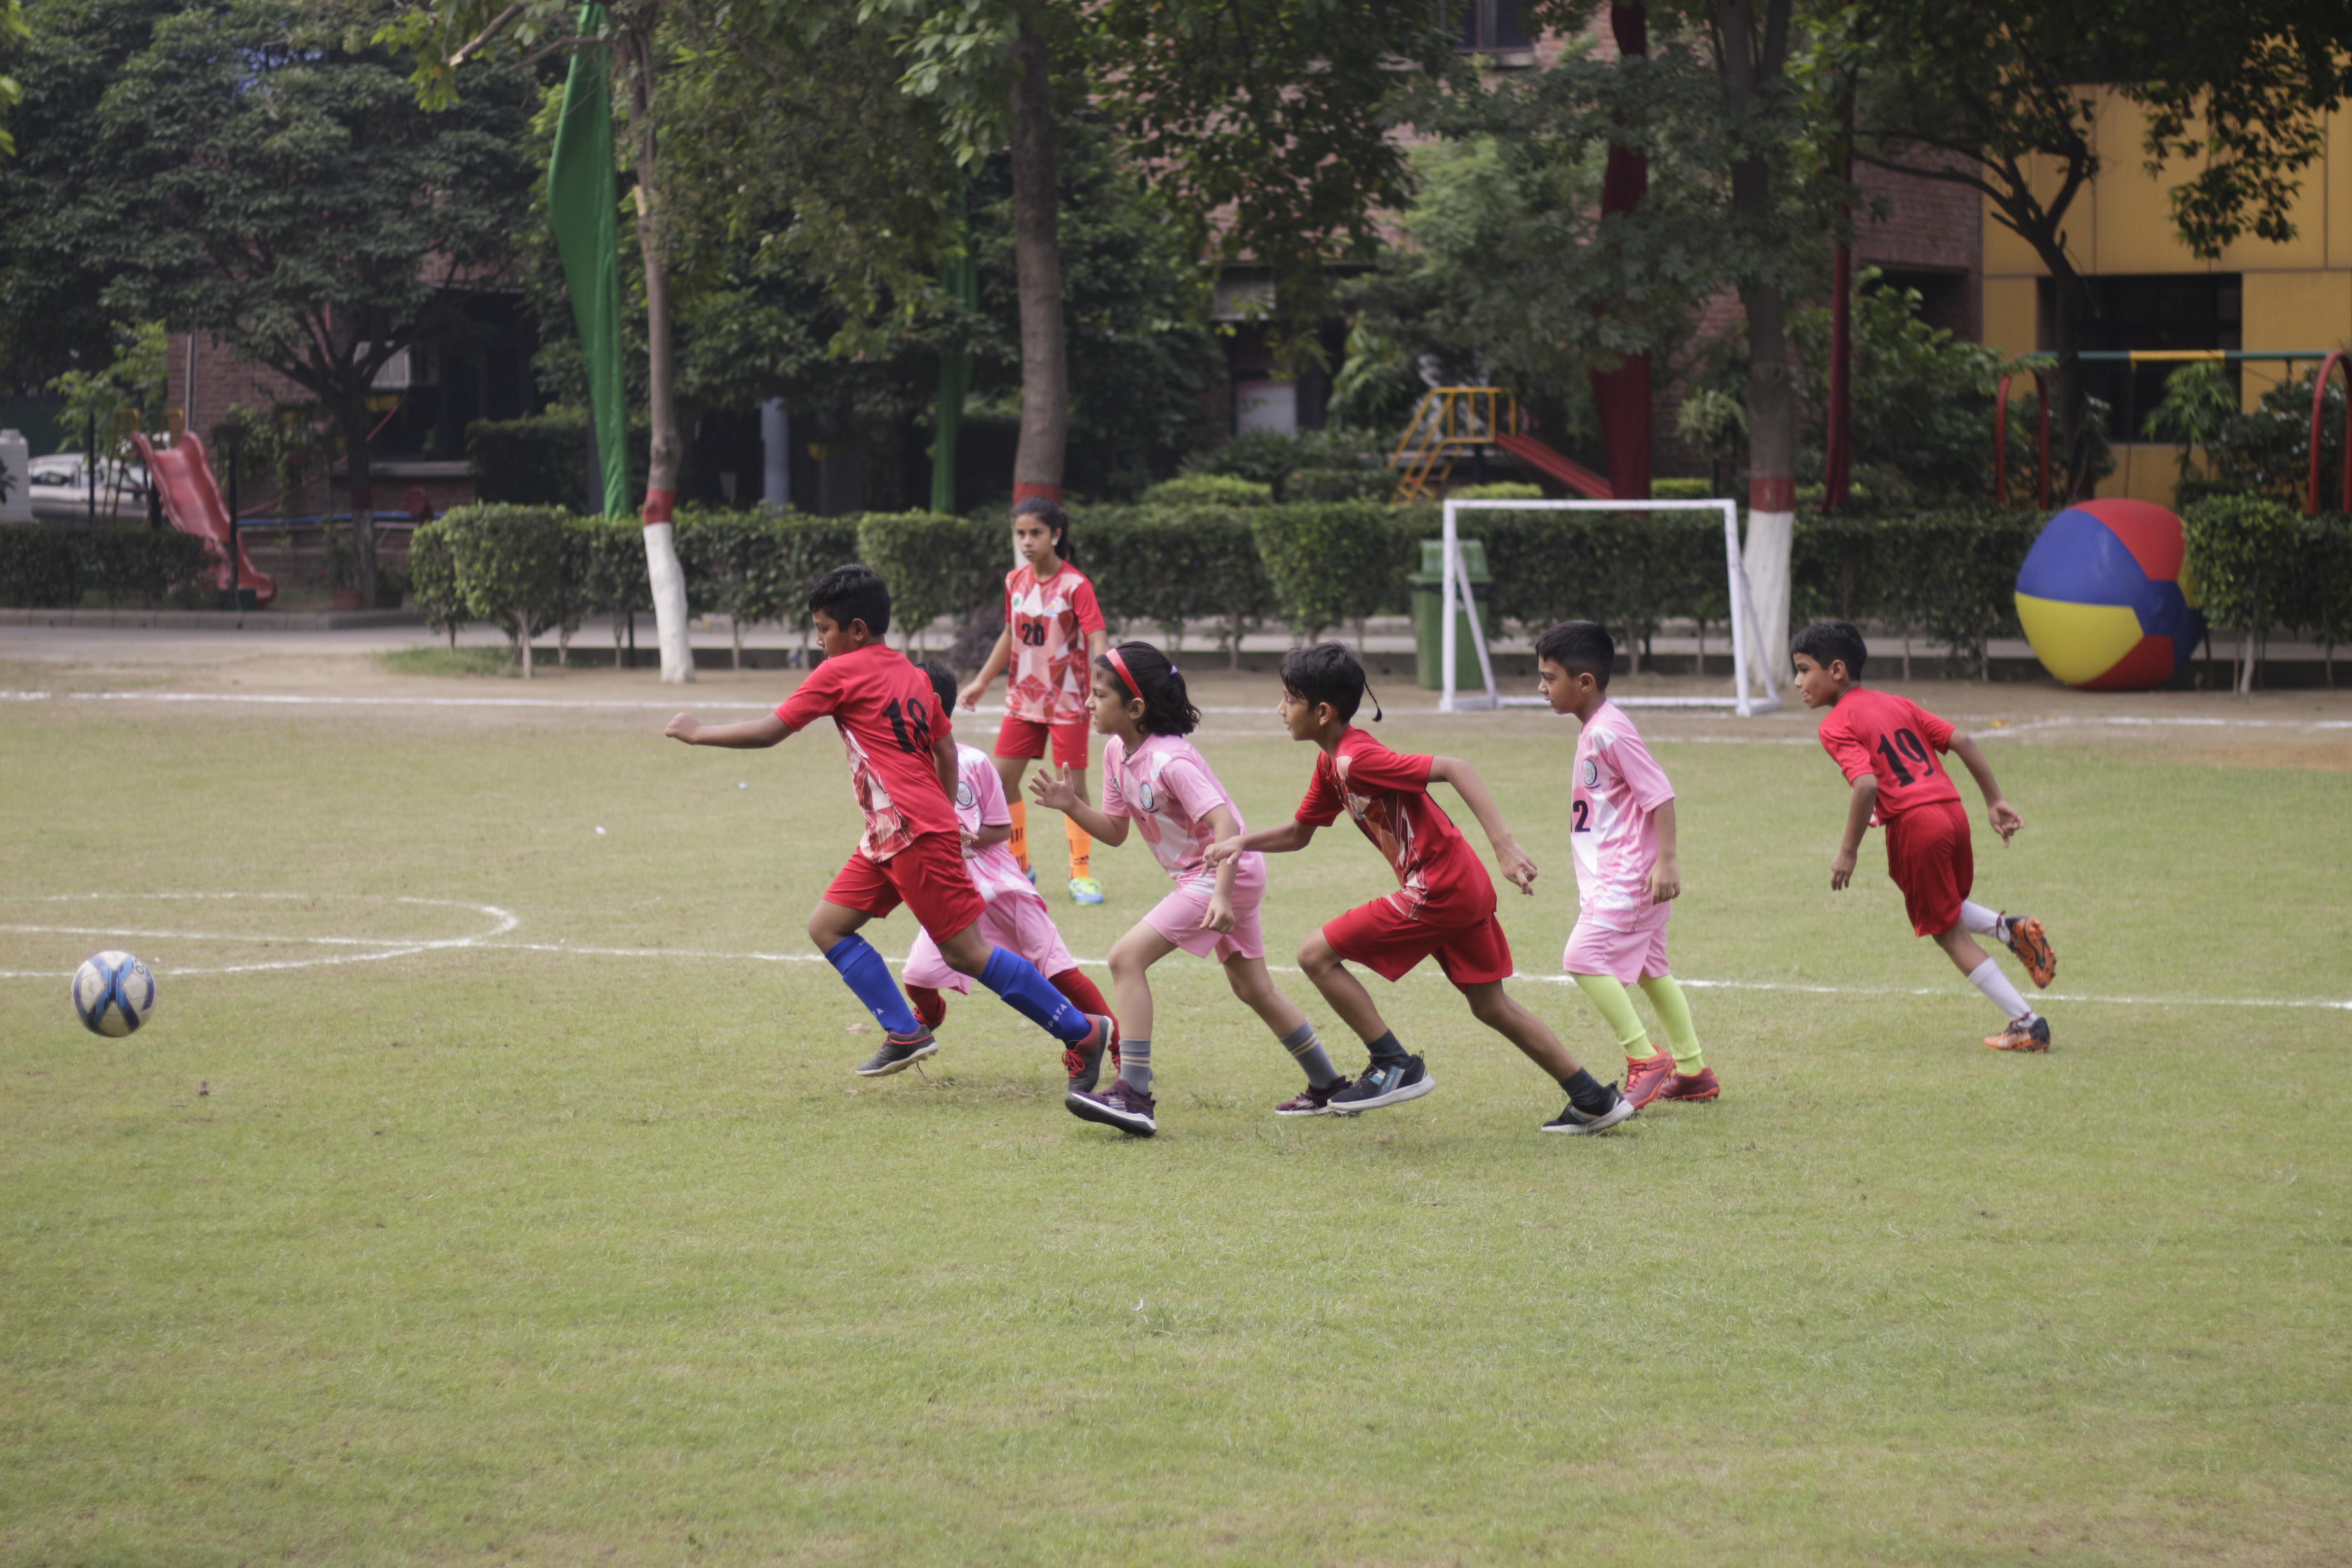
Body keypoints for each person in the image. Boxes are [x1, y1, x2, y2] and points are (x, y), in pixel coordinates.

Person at [663, 564, 1118, 1080]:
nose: (819, 641)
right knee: (828, 927)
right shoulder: (912, 674)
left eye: (823, 629)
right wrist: (943, 811)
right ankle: (906, 1031)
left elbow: (770, 732)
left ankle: (1081, 1031)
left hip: (912, 832)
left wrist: (698, 733)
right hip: (890, 833)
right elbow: (946, 752)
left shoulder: (839, 672)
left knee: (967, 953)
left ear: (857, 629)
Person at [1205, 642, 1634, 1134]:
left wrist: (1505, 846)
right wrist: (1242, 843)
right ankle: (1592, 1098)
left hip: (1439, 889)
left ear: (1323, 713)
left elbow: (1455, 768)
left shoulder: (1356, 759)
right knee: (1491, 1006)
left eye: (1288, 699)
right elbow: (1299, 834)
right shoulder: (1331, 765)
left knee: (1314, 955)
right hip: (1461, 887)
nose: (1280, 709)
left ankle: (1393, 1063)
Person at [1030, 642, 1348, 1137]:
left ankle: (1134, 1093)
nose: (1088, 703)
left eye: (1099, 695)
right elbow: (1115, 831)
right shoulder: (1116, 752)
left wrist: (1220, 895)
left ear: (1136, 708)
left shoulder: (1171, 760)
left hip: (1224, 872)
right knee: (1253, 988)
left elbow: (1226, 825)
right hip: (1218, 875)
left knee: (1125, 958)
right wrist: (1072, 805)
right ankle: (1328, 1083)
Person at [1791, 619, 2059, 1051]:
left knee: (1947, 933)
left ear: (1837, 670)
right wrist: (1993, 800)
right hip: (1951, 811)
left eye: (1804, 670)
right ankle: (2011, 930)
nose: (1797, 682)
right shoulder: (1897, 703)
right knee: (1941, 906)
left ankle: (2028, 1023)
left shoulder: (1835, 724)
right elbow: (1962, 740)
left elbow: (1866, 785)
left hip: (1915, 826)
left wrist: (1848, 852)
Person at [900, 661, 1118, 1091]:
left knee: (1060, 972)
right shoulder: (902, 767)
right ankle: (927, 1019)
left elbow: (1001, 829)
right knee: (917, 976)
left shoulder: (974, 762)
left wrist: (967, 837)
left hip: (1002, 887)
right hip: (950, 889)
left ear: (931, 707)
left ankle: (1120, 1049)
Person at [1534, 621, 1719, 1107]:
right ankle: (1693, 1070)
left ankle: (1645, 1057)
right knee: (1652, 969)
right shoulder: (1597, 728)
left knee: (1580, 957)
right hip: (1621, 875)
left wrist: (1668, 862)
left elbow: (1660, 795)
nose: (1542, 688)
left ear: (1585, 682)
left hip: (1628, 877)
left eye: (1549, 678)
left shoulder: (1609, 731)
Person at [958, 497, 1110, 905]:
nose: (1027, 541)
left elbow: (1097, 638)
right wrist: (981, 682)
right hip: (1023, 701)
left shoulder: (1077, 586)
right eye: (1021, 533)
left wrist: (1101, 685)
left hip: (1069, 703)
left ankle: (1081, 874)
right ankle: (1020, 868)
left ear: (1056, 535)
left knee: (1073, 789)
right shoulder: (1015, 580)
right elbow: (1011, 634)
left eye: (1036, 533)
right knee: (1000, 782)